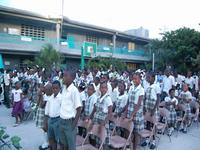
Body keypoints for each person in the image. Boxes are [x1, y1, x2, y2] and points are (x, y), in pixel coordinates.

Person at [59, 69, 82, 150]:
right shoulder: (64, 88)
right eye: (63, 76)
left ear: (72, 78)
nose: (63, 78)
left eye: (65, 76)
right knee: (63, 143)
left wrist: (73, 125)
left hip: (70, 123)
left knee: (71, 146)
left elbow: (79, 109)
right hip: (62, 121)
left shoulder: (74, 91)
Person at [125, 72, 144, 150]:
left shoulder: (141, 89)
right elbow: (128, 101)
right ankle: (130, 146)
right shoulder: (131, 88)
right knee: (128, 131)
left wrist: (132, 115)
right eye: (133, 79)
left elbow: (138, 104)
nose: (134, 80)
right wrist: (125, 112)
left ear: (140, 79)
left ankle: (134, 148)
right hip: (130, 111)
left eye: (136, 79)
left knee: (136, 133)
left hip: (136, 113)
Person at [143, 72, 161, 149]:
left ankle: (153, 141)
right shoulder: (146, 86)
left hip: (153, 106)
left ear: (153, 78)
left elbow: (158, 98)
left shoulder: (156, 86)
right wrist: (143, 106)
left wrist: (154, 109)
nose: (147, 78)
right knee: (147, 123)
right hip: (147, 105)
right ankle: (147, 138)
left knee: (153, 124)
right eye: (147, 77)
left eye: (149, 77)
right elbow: (145, 97)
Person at [45, 80, 62, 150]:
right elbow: (47, 111)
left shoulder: (61, 98)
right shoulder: (50, 98)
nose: (55, 90)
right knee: (51, 138)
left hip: (58, 120)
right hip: (50, 120)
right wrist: (45, 122)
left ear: (60, 88)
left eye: (56, 88)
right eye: (53, 88)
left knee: (59, 139)